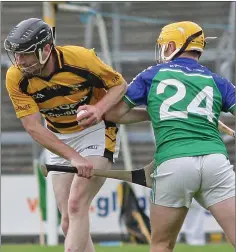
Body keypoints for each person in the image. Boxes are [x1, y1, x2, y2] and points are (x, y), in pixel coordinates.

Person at [104, 21, 235, 251]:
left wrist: (154, 113)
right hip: (216, 162)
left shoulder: (152, 75)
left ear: (173, 45)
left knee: (161, 245)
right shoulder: (218, 81)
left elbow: (114, 113)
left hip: (174, 163)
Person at [4, 18, 128, 252]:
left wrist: (98, 110)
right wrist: (73, 156)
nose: (18, 61)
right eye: (16, 55)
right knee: (68, 222)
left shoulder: (81, 59)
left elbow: (119, 85)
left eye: (25, 54)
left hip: (96, 132)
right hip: (59, 138)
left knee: (76, 203)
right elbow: (33, 127)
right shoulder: (16, 77)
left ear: (46, 50)